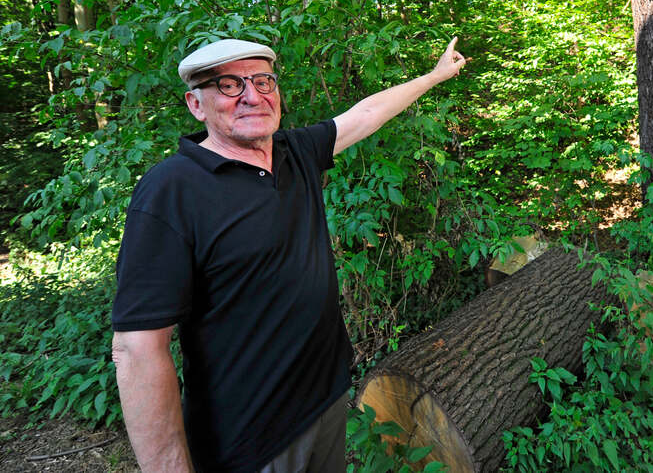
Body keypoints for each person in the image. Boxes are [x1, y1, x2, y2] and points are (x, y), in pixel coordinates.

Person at [111, 37, 466, 472]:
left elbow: (367, 114)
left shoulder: (294, 153)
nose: (252, 95)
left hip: (326, 401)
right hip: (251, 442)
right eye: (228, 85)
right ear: (196, 104)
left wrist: (434, 76)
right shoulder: (171, 191)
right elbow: (137, 350)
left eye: (263, 81)